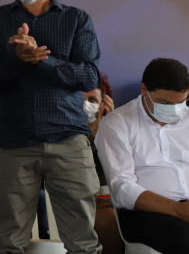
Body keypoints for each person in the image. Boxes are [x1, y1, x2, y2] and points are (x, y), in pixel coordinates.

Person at [0, 0, 101, 254]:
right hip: (12, 144)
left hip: (68, 141)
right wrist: (18, 59)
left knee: (82, 243)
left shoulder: (77, 19)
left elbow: (89, 77)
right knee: (9, 243)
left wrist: (44, 60)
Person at [96, 58, 189, 253]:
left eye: (181, 102)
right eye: (165, 103)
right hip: (146, 213)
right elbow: (122, 188)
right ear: (144, 90)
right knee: (185, 242)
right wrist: (178, 210)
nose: (175, 110)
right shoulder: (118, 124)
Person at [82, 81, 121, 254]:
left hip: (117, 196)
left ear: (104, 104)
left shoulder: (116, 130)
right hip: (83, 197)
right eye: (79, 99)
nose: (85, 105)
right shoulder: (59, 133)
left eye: (92, 99)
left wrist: (109, 120)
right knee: (107, 220)